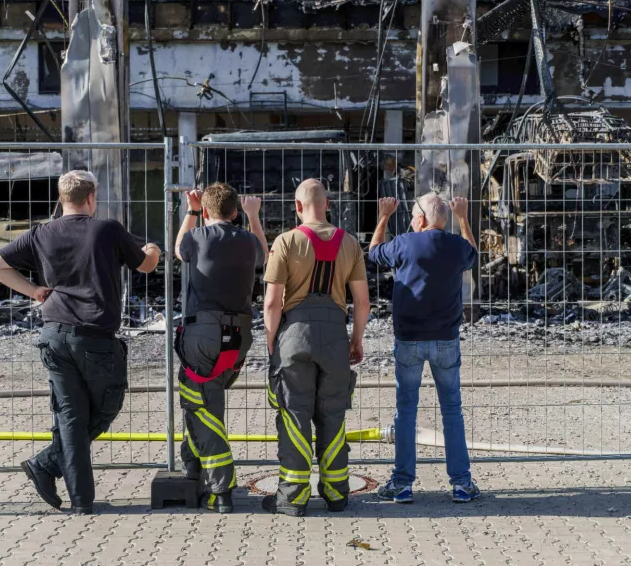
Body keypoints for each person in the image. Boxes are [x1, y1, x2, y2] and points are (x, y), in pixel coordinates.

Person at [0, 170, 160, 514]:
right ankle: (47, 463)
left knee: (71, 416)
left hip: (54, 334)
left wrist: (34, 290)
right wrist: (152, 247)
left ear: (62, 198)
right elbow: (146, 265)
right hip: (94, 337)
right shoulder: (107, 230)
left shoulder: (41, 233)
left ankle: (78, 498)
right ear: (92, 198)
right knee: (106, 407)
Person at [262, 179, 369, 517]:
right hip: (336, 337)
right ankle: (337, 494)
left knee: (294, 416)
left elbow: (271, 304)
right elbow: (363, 302)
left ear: (297, 206)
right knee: (333, 417)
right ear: (328, 204)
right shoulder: (350, 243)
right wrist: (356, 340)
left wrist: (273, 346)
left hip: (294, 337)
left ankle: (292, 498)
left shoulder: (286, 241)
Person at [367, 193, 482, 504]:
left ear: (420, 219)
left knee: (406, 411)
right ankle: (461, 483)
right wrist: (463, 218)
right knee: (452, 411)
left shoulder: (404, 243)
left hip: (409, 339)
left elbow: (374, 253)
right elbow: (474, 254)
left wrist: (384, 216)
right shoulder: (456, 246)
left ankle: (402, 483)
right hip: (446, 339)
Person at [174, 183, 267, 514]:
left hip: (204, 333)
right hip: (239, 335)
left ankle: (221, 489)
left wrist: (190, 210)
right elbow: (263, 255)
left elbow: (178, 249)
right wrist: (254, 217)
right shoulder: (247, 240)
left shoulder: (198, 237)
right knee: (202, 402)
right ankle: (192, 467)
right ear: (236, 211)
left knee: (203, 407)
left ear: (207, 212)